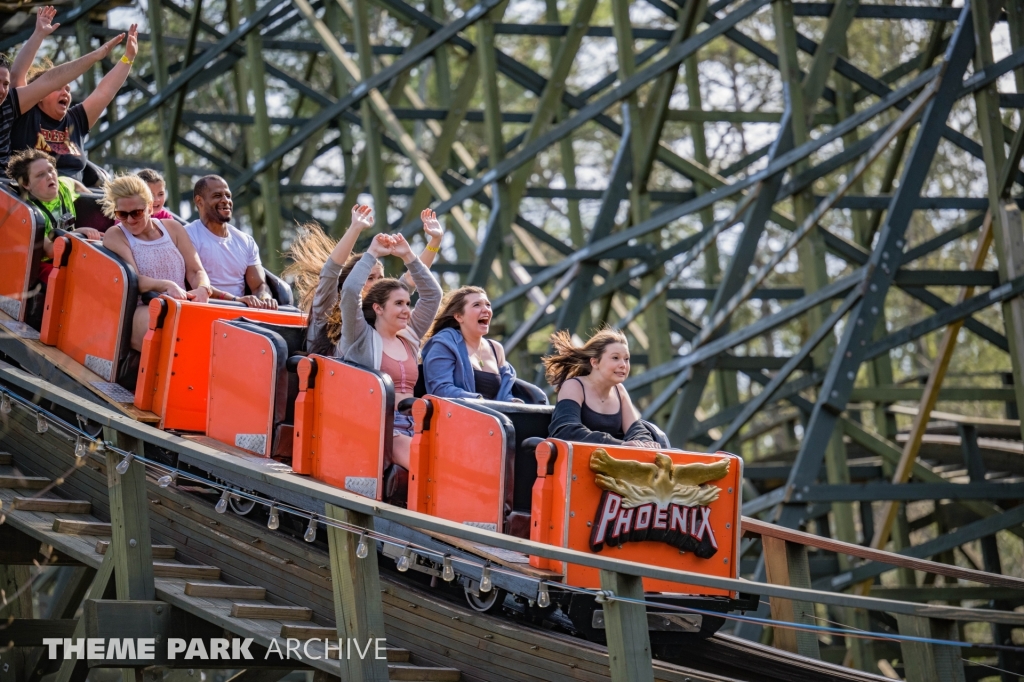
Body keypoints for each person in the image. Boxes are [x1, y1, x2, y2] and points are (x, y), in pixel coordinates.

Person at [338, 233, 442, 470]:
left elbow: (432, 295)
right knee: (426, 465)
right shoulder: (360, 337)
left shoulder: (410, 336)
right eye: (398, 304)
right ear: (378, 308)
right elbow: (351, 293)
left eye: (407, 303)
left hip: (417, 424)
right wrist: (372, 253)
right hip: (383, 427)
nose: (407, 310)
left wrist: (408, 255)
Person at [284, 205, 444, 355]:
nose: (377, 283)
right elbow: (331, 271)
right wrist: (356, 228)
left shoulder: (382, 312)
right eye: (370, 278)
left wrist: (435, 241)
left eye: (380, 278)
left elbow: (413, 278)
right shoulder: (328, 308)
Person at [0, 7, 126, 170]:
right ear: (39, 94)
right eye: (58, 88)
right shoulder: (25, 114)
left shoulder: (74, 120)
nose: (65, 92)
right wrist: (39, 35)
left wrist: (127, 59)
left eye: (68, 89)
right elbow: (25, 77)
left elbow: (104, 93)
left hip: (67, 190)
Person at [99, 175, 212, 350]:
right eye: (122, 214)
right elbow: (134, 280)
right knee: (173, 326)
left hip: (180, 305)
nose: (129, 220)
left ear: (150, 208)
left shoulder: (173, 229)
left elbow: (196, 270)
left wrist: (203, 288)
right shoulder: (116, 235)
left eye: (136, 213)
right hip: (142, 308)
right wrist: (166, 285)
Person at [542, 329, 657, 447]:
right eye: (615, 358)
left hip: (609, 461)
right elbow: (567, 431)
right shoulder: (574, 386)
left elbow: (636, 430)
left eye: (626, 359)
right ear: (595, 362)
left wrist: (646, 443)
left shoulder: (619, 390)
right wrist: (620, 445)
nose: (623, 365)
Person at [7, 148, 102, 280]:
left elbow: (74, 184)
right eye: (40, 175)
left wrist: (92, 198)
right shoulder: (30, 213)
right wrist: (79, 233)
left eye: (51, 170)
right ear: (26, 184)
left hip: (72, 252)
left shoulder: (63, 185)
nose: (50, 176)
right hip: (45, 263)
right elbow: (50, 251)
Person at [183, 175, 276, 309]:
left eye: (228, 196)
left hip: (241, 313)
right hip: (206, 310)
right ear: (199, 201)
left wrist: (265, 298)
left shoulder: (245, 240)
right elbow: (195, 283)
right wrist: (235, 300)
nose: (225, 201)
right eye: (217, 196)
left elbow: (259, 285)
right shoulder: (187, 235)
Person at [421, 286, 518, 401]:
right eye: (477, 305)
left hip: (497, 416)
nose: (486, 309)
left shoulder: (496, 349)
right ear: (458, 316)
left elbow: (505, 394)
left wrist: (513, 402)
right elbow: (441, 389)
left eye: (488, 305)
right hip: (460, 415)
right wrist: (478, 401)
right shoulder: (445, 344)